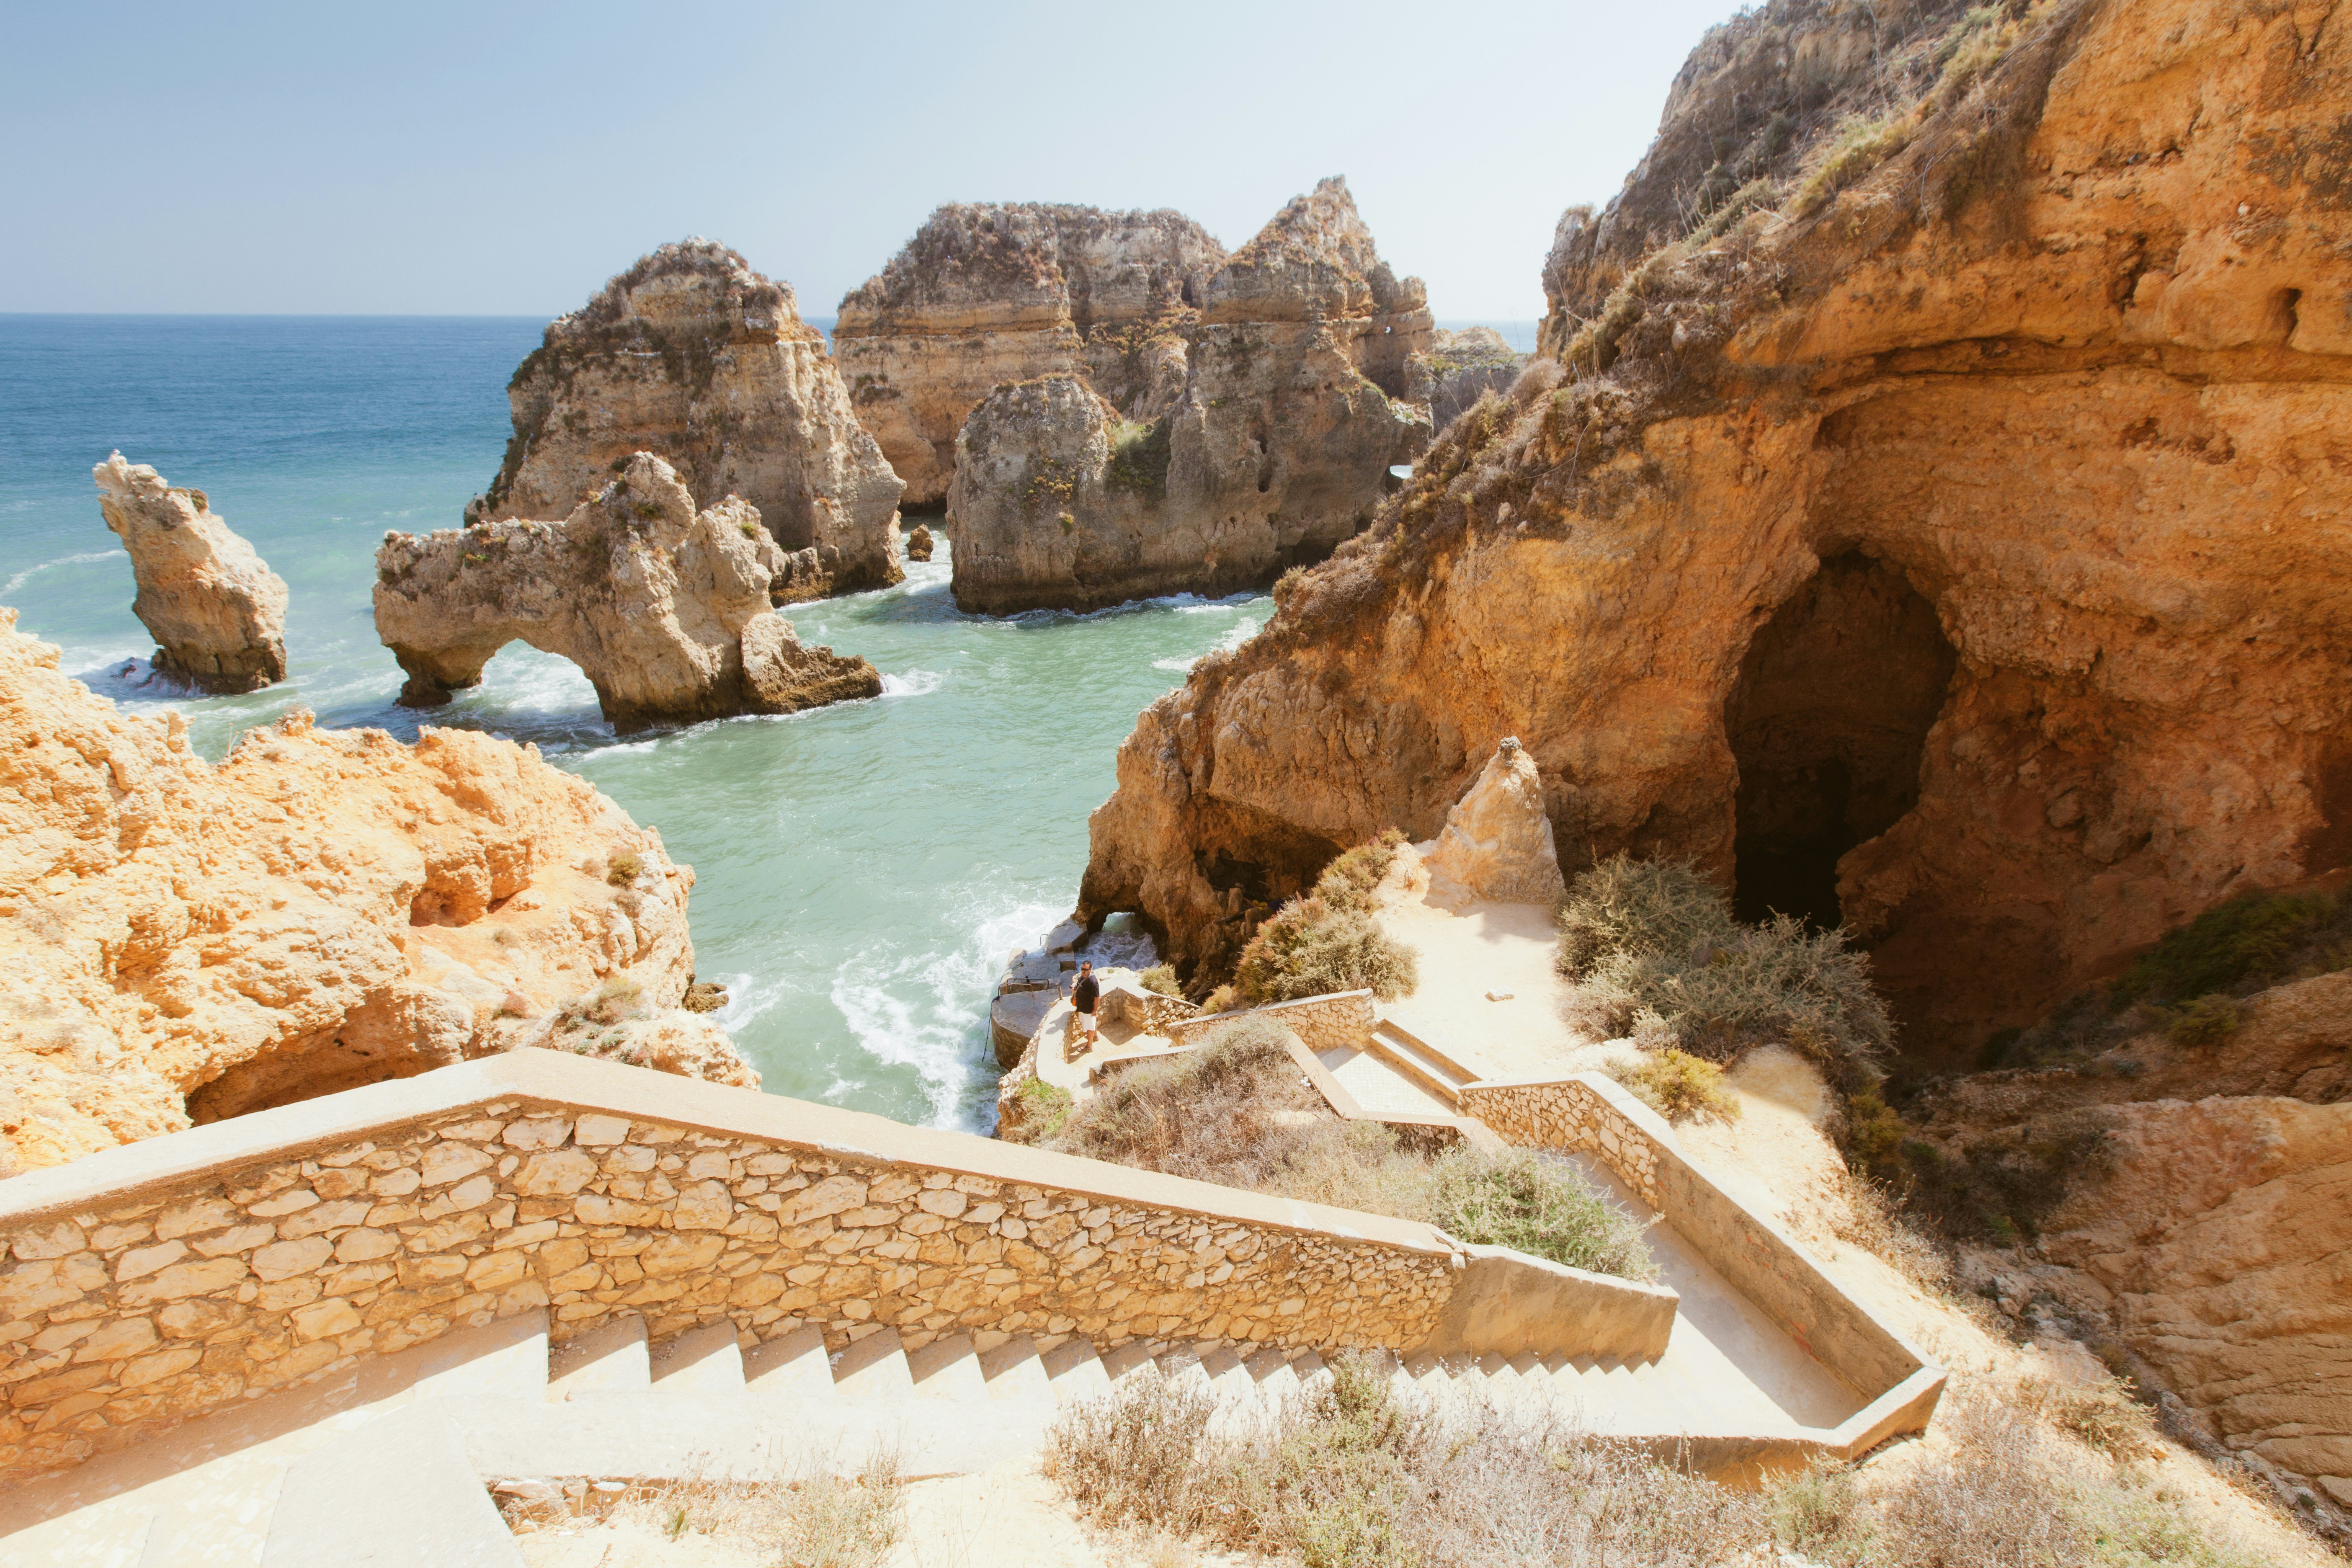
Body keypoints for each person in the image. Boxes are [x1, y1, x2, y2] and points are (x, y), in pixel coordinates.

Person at [1070, 961, 1100, 1051]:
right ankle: (1095, 1036)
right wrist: (1075, 989)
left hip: (1088, 1009)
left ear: (1090, 969)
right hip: (1083, 1006)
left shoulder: (1093, 982)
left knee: (1090, 1026)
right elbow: (1080, 985)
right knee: (1092, 1023)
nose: (1083, 971)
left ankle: (1089, 1047)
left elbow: (1097, 998)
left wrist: (1094, 1011)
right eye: (1082, 969)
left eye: (1086, 970)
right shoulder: (1083, 977)